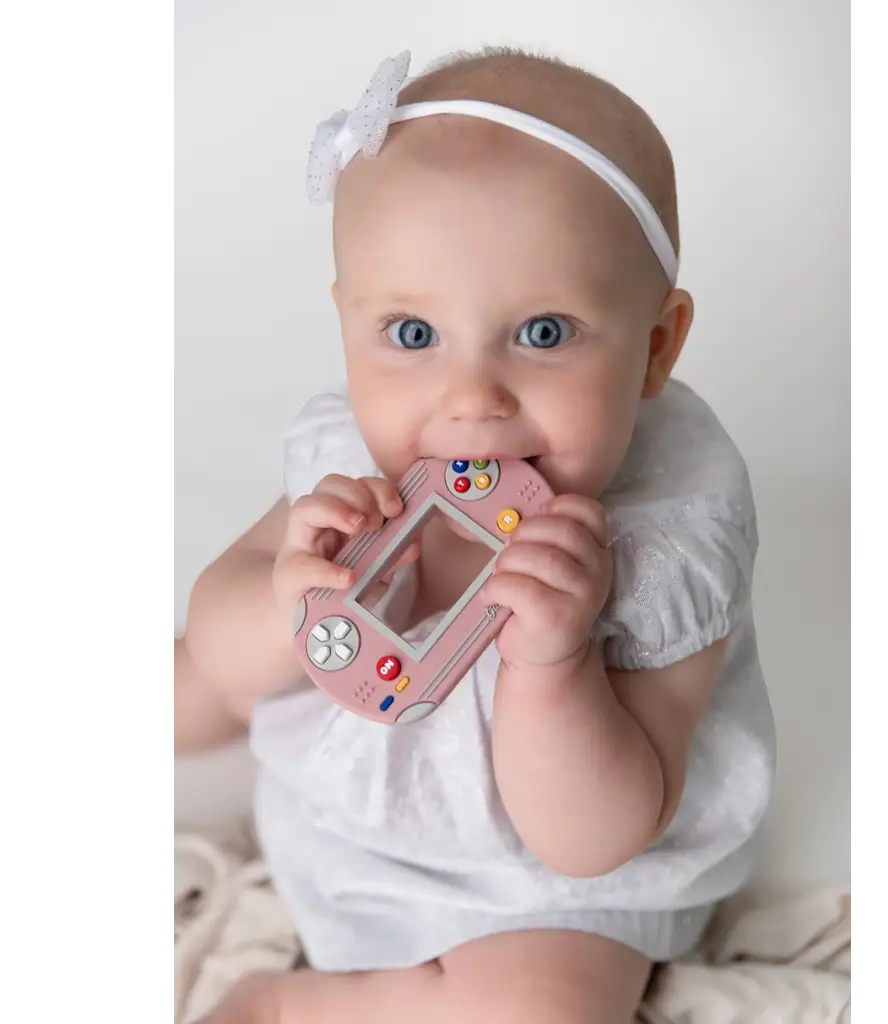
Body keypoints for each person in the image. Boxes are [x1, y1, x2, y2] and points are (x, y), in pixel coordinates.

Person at [173, 46, 776, 1024]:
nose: (470, 401)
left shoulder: (671, 530)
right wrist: (288, 594)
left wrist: (552, 661)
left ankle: (301, 1005)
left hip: (545, 892)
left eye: (542, 333)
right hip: (343, 821)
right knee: (213, 661)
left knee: (542, 1010)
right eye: (412, 335)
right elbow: (229, 614)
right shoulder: (359, 462)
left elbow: (598, 836)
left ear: (656, 344)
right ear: (348, 325)